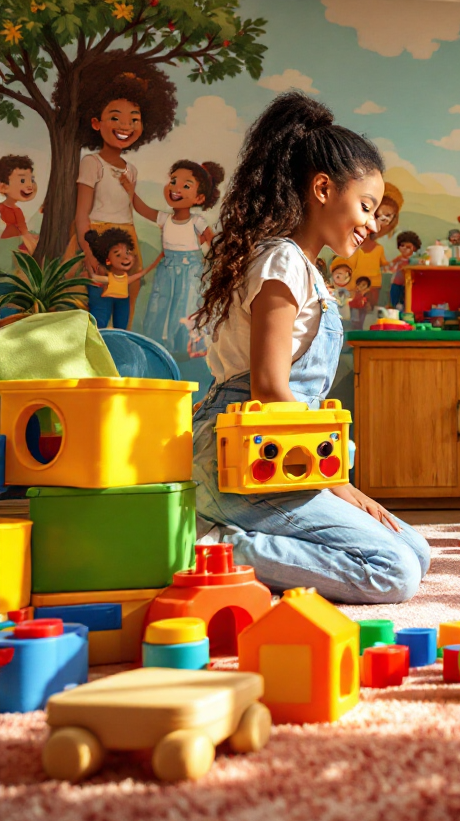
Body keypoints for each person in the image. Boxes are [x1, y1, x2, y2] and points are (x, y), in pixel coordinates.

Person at [192, 91, 431, 604]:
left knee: (415, 549)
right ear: (323, 188)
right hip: (240, 453)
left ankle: (239, 539)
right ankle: (206, 545)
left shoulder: (308, 271)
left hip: (279, 450)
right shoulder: (282, 264)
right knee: (393, 571)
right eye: (366, 206)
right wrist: (336, 483)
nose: (372, 223)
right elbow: (270, 387)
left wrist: (340, 483)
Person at [70, 58, 176, 321]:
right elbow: (81, 214)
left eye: (134, 119)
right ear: (96, 123)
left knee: (128, 297)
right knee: (98, 299)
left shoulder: (131, 170)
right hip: (97, 236)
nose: (125, 126)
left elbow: (133, 208)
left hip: (126, 237)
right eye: (115, 117)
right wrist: (89, 250)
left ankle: (122, 346)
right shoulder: (92, 163)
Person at [128, 159, 223, 353]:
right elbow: (142, 209)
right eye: (173, 181)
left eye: (186, 185)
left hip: (191, 271)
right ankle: (156, 344)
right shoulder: (165, 218)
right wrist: (130, 190)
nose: (176, 188)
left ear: (199, 198)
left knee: (186, 305)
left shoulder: (196, 221)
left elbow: (212, 242)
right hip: (167, 268)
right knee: (160, 303)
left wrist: (218, 257)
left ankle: (184, 346)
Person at [83, 227, 158, 330]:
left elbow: (142, 273)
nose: (125, 258)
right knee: (100, 323)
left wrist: (158, 260)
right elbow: (94, 278)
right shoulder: (109, 278)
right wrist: (89, 269)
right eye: (118, 255)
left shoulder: (125, 279)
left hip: (122, 300)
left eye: (128, 252)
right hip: (107, 298)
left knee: (121, 327)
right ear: (108, 260)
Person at [0, 154, 39, 254]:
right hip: (7, 245)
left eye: (32, 180)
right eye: (22, 181)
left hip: (18, 243)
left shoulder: (18, 211)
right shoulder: (2, 208)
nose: (30, 185)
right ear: (4, 187)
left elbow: (24, 230)